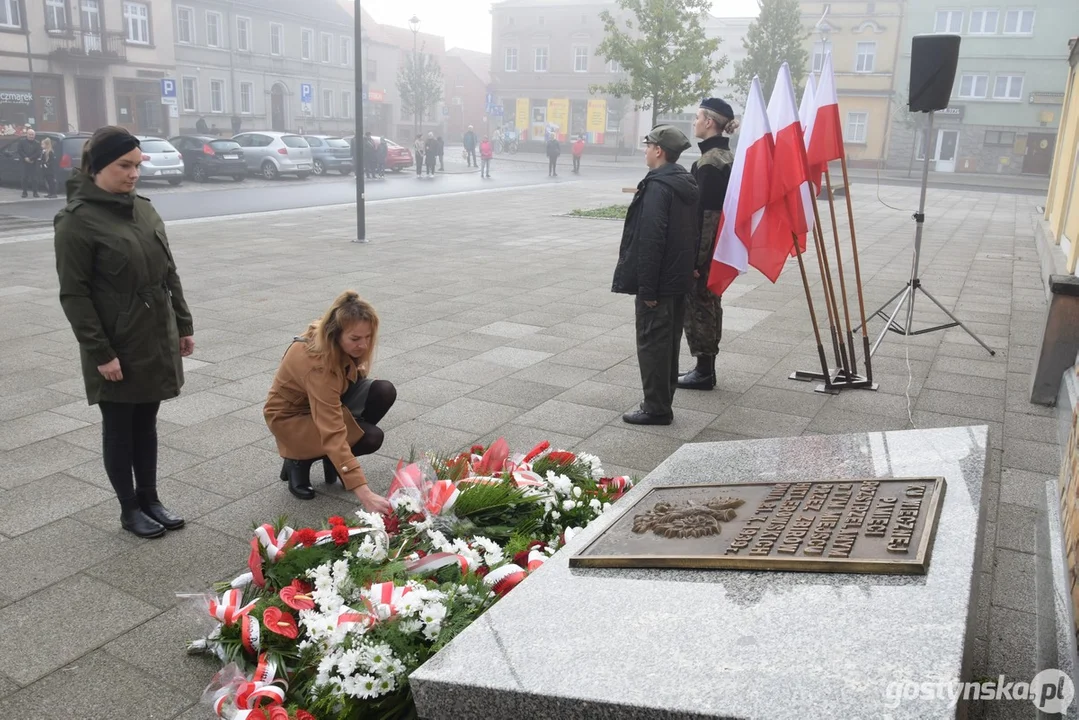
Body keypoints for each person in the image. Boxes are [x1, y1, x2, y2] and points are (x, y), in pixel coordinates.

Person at [54, 126, 195, 538]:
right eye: (124, 166)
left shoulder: (145, 209)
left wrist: (183, 324)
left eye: (137, 165)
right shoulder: (76, 222)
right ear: (97, 167)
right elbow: (74, 295)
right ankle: (128, 508)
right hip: (116, 341)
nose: (133, 174)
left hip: (154, 334)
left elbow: (169, 272)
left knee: (146, 421)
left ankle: (150, 498)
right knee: (119, 425)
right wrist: (101, 353)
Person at [264, 291, 395, 514]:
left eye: (368, 337)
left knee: (383, 391)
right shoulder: (318, 366)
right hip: (291, 418)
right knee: (371, 437)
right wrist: (364, 492)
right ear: (335, 333)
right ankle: (298, 460)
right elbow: (332, 430)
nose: (363, 345)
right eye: (355, 339)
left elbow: (339, 388)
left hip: (321, 402)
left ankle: (332, 459)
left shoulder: (332, 335)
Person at [611, 125, 698, 426]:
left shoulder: (658, 187)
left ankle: (656, 407)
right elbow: (695, 232)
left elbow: (651, 240)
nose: (645, 149)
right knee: (668, 343)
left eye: (648, 145)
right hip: (677, 280)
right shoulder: (684, 182)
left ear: (659, 151)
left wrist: (647, 290)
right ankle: (662, 399)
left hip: (659, 283)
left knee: (652, 343)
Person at [679, 98, 738, 391]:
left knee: (700, 305)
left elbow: (707, 217)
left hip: (706, 250)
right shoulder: (725, 157)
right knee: (711, 304)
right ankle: (705, 368)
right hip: (719, 248)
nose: (694, 122)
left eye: (697, 117)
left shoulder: (710, 164)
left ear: (710, 122)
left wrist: (695, 262)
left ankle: (703, 371)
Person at [17, 129, 42, 198]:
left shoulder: (37, 143)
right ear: (27, 135)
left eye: (32, 135)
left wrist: (31, 158)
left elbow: (38, 152)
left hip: (34, 163)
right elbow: (19, 150)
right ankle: (24, 192)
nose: (31, 136)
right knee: (24, 178)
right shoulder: (22, 142)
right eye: (30, 134)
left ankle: (35, 193)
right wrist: (25, 157)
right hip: (24, 163)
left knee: (35, 179)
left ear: (34, 135)